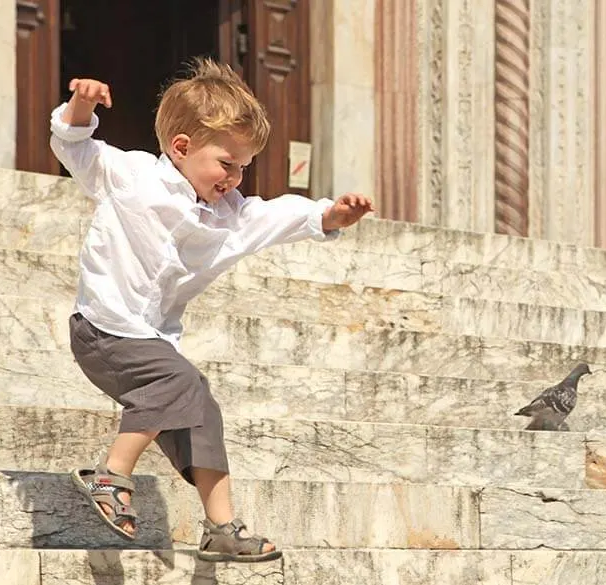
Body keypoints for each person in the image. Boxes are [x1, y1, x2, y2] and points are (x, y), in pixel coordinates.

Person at [49, 57, 374, 563]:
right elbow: (74, 146)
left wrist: (331, 215)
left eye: (244, 166)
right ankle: (110, 477)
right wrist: (82, 104)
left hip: (150, 339)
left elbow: (283, 214)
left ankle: (221, 527)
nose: (236, 177)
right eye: (227, 163)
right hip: (103, 328)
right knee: (178, 381)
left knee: (200, 403)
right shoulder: (131, 176)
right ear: (182, 147)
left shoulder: (233, 218)